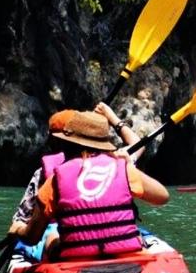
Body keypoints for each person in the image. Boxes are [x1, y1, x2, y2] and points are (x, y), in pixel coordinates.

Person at [14, 108, 168, 261]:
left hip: (76, 257)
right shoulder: (122, 166)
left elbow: (31, 237)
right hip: (125, 252)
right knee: (138, 235)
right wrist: (125, 165)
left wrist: (16, 230)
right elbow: (163, 197)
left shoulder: (55, 178)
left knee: (51, 237)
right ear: (105, 144)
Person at [10, 102, 140, 235]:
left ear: (54, 140)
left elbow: (22, 219)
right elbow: (138, 144)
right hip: (112, 235)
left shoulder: (46, 174)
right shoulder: (116, 163)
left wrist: (17, 228)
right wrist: (113, 118)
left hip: (63, 237)